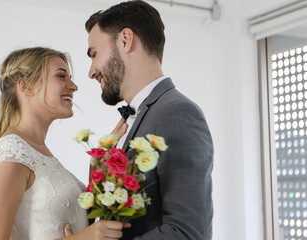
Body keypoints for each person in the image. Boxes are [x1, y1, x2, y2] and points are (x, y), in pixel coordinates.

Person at [78, 1, 214, 239]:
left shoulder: (178, 114)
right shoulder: (140, 116)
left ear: (125, 40)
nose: (91, 71)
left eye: (95, 54)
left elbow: (187, 233)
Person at [0, 47, 130, 240]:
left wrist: (97, 173)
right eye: (61, 76)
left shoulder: (38, 153)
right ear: (26, 86)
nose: (74, 86)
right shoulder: (11, 151)